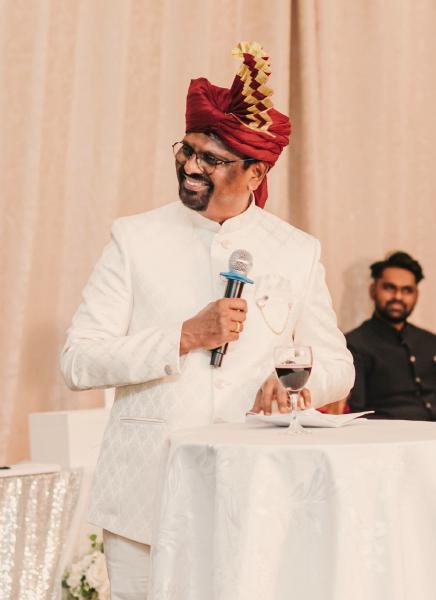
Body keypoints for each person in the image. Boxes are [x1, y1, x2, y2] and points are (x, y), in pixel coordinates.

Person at [61, 42, 354, 599]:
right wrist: (183, 336)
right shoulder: (135, 238)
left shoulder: (296, 250)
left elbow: (338, 364)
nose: (191, 167)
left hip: (258, 495)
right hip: (146, 500)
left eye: (212, 160)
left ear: (255, 172)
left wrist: (301, 384)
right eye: (188, 151)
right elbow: (78, 360)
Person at [346, 251, 436, 420]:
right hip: (390, 433)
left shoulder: (430, 342)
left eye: (407, 290)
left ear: (416, 295)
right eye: (389, 288)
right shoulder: (354, 344)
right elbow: (357, 413)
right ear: (373, 290)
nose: (398, 297)